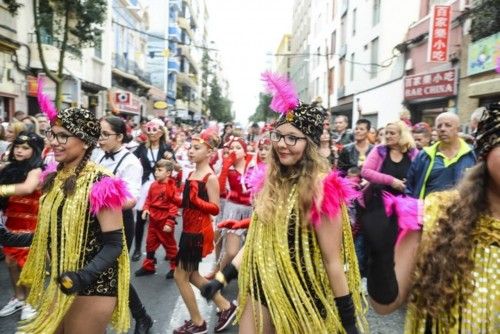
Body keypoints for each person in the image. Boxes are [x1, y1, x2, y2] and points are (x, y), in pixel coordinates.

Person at [202, 72, 366, 333]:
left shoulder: (322, 188)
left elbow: (332, 260)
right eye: (278, 136)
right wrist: (222, 278)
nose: (282, 145)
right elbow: (257, 241)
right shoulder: (271, 181)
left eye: (293, 138)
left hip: (303, 293)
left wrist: (349, 323)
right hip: (262, 285)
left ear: (309, 144)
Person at [365, 103, 499, 333]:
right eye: (441, 125)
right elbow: (385, 305)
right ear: (487, 150)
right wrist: (381, 259)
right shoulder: (435, 215)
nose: (444, 129)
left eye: (449, 125)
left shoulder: (464, 154)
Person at [1, 107, 130, 333]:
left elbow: (114, 244)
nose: (55, 142)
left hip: (94, 283)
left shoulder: (103, 183)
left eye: (64, 136)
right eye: (53, 134)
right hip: (63, 279)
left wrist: (84, 276)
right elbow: (50, 235)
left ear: (86, 141)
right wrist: (5, 236)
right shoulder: (53, 177)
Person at [92, 115, 153, 334]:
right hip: (93, 219)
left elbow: (131, 199)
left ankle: (141, 316)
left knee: (115, 272)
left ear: (120, 136)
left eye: (105, 134)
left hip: (118, 222)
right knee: (96, 269)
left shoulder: (130, 162)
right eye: (98, 133)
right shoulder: (97, 154)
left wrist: (102, 199)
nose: (100, 139)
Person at [173, 129, 237, 334]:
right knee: (191, 275)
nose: (191, 151)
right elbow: (186, 203)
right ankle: (225, 306)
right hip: (188, 230)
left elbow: (215, 208)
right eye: (190, 147)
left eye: (197, 148)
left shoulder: (210, 177)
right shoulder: (191, 173)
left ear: (209, 152)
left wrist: (197, 201)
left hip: (198, 233)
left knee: (179, 276)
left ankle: (198, 322)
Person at [0, 132, 44, 321]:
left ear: (34, 151)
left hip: (30, 223)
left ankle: (31, 301)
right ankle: (18, 298)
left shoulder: (37, 169)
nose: (19, 150)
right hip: (11, 221)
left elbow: (27, 188)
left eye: (25, 148)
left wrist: (1, 190)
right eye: (17, 146)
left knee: (25, 263)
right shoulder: (9, 167)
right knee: (10, 262)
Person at [405, 112, 476, 199]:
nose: (442, 129)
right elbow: (410, 186)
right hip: (428, 210)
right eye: (439, 126)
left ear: (458, 129)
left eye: (448, 125)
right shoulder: (423, 156)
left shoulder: (472, 154)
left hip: (461, 210)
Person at [133, 118, 174, 261]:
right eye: (149, 131)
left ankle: (168, 249)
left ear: (161, 132)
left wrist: (171, 160)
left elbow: (173, 168)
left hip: (162, 186)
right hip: (145, 185)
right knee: (140, 219)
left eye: (155, 130)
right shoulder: (142, 147)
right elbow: (131, 160)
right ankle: (137, 249)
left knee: (162, 220)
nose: (152, 134)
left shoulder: (166, 148)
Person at [135, 159, 179, 279]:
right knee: (150, 243)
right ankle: (149, 266)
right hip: (153, 220)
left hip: (164, 220)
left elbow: (174, 206)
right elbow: (149, 199)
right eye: (156, 170)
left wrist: (169, 223)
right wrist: (146, 209)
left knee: (169, 245)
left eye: (160, 170)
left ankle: (175, 268)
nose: (156, 172)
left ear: (168, 173)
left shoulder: (171, 187)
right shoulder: (153, 185)